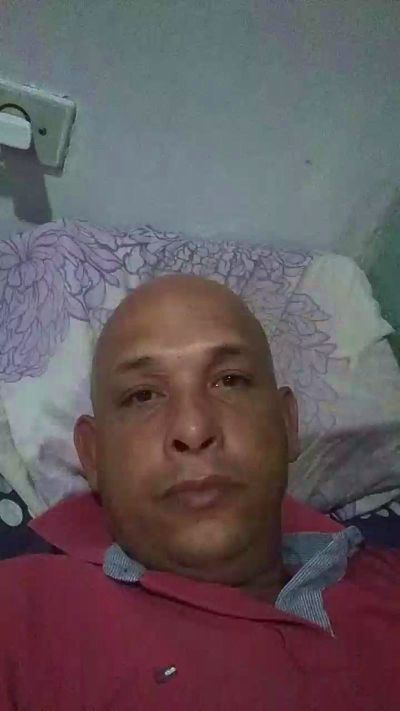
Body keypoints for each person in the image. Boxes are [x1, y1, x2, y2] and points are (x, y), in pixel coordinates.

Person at [0, 273, 399, 710]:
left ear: (287, 424)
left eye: (230, 380)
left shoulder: (386, 582)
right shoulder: (20, 616)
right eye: (143, 395)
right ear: (93, 456)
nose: (193, 429)